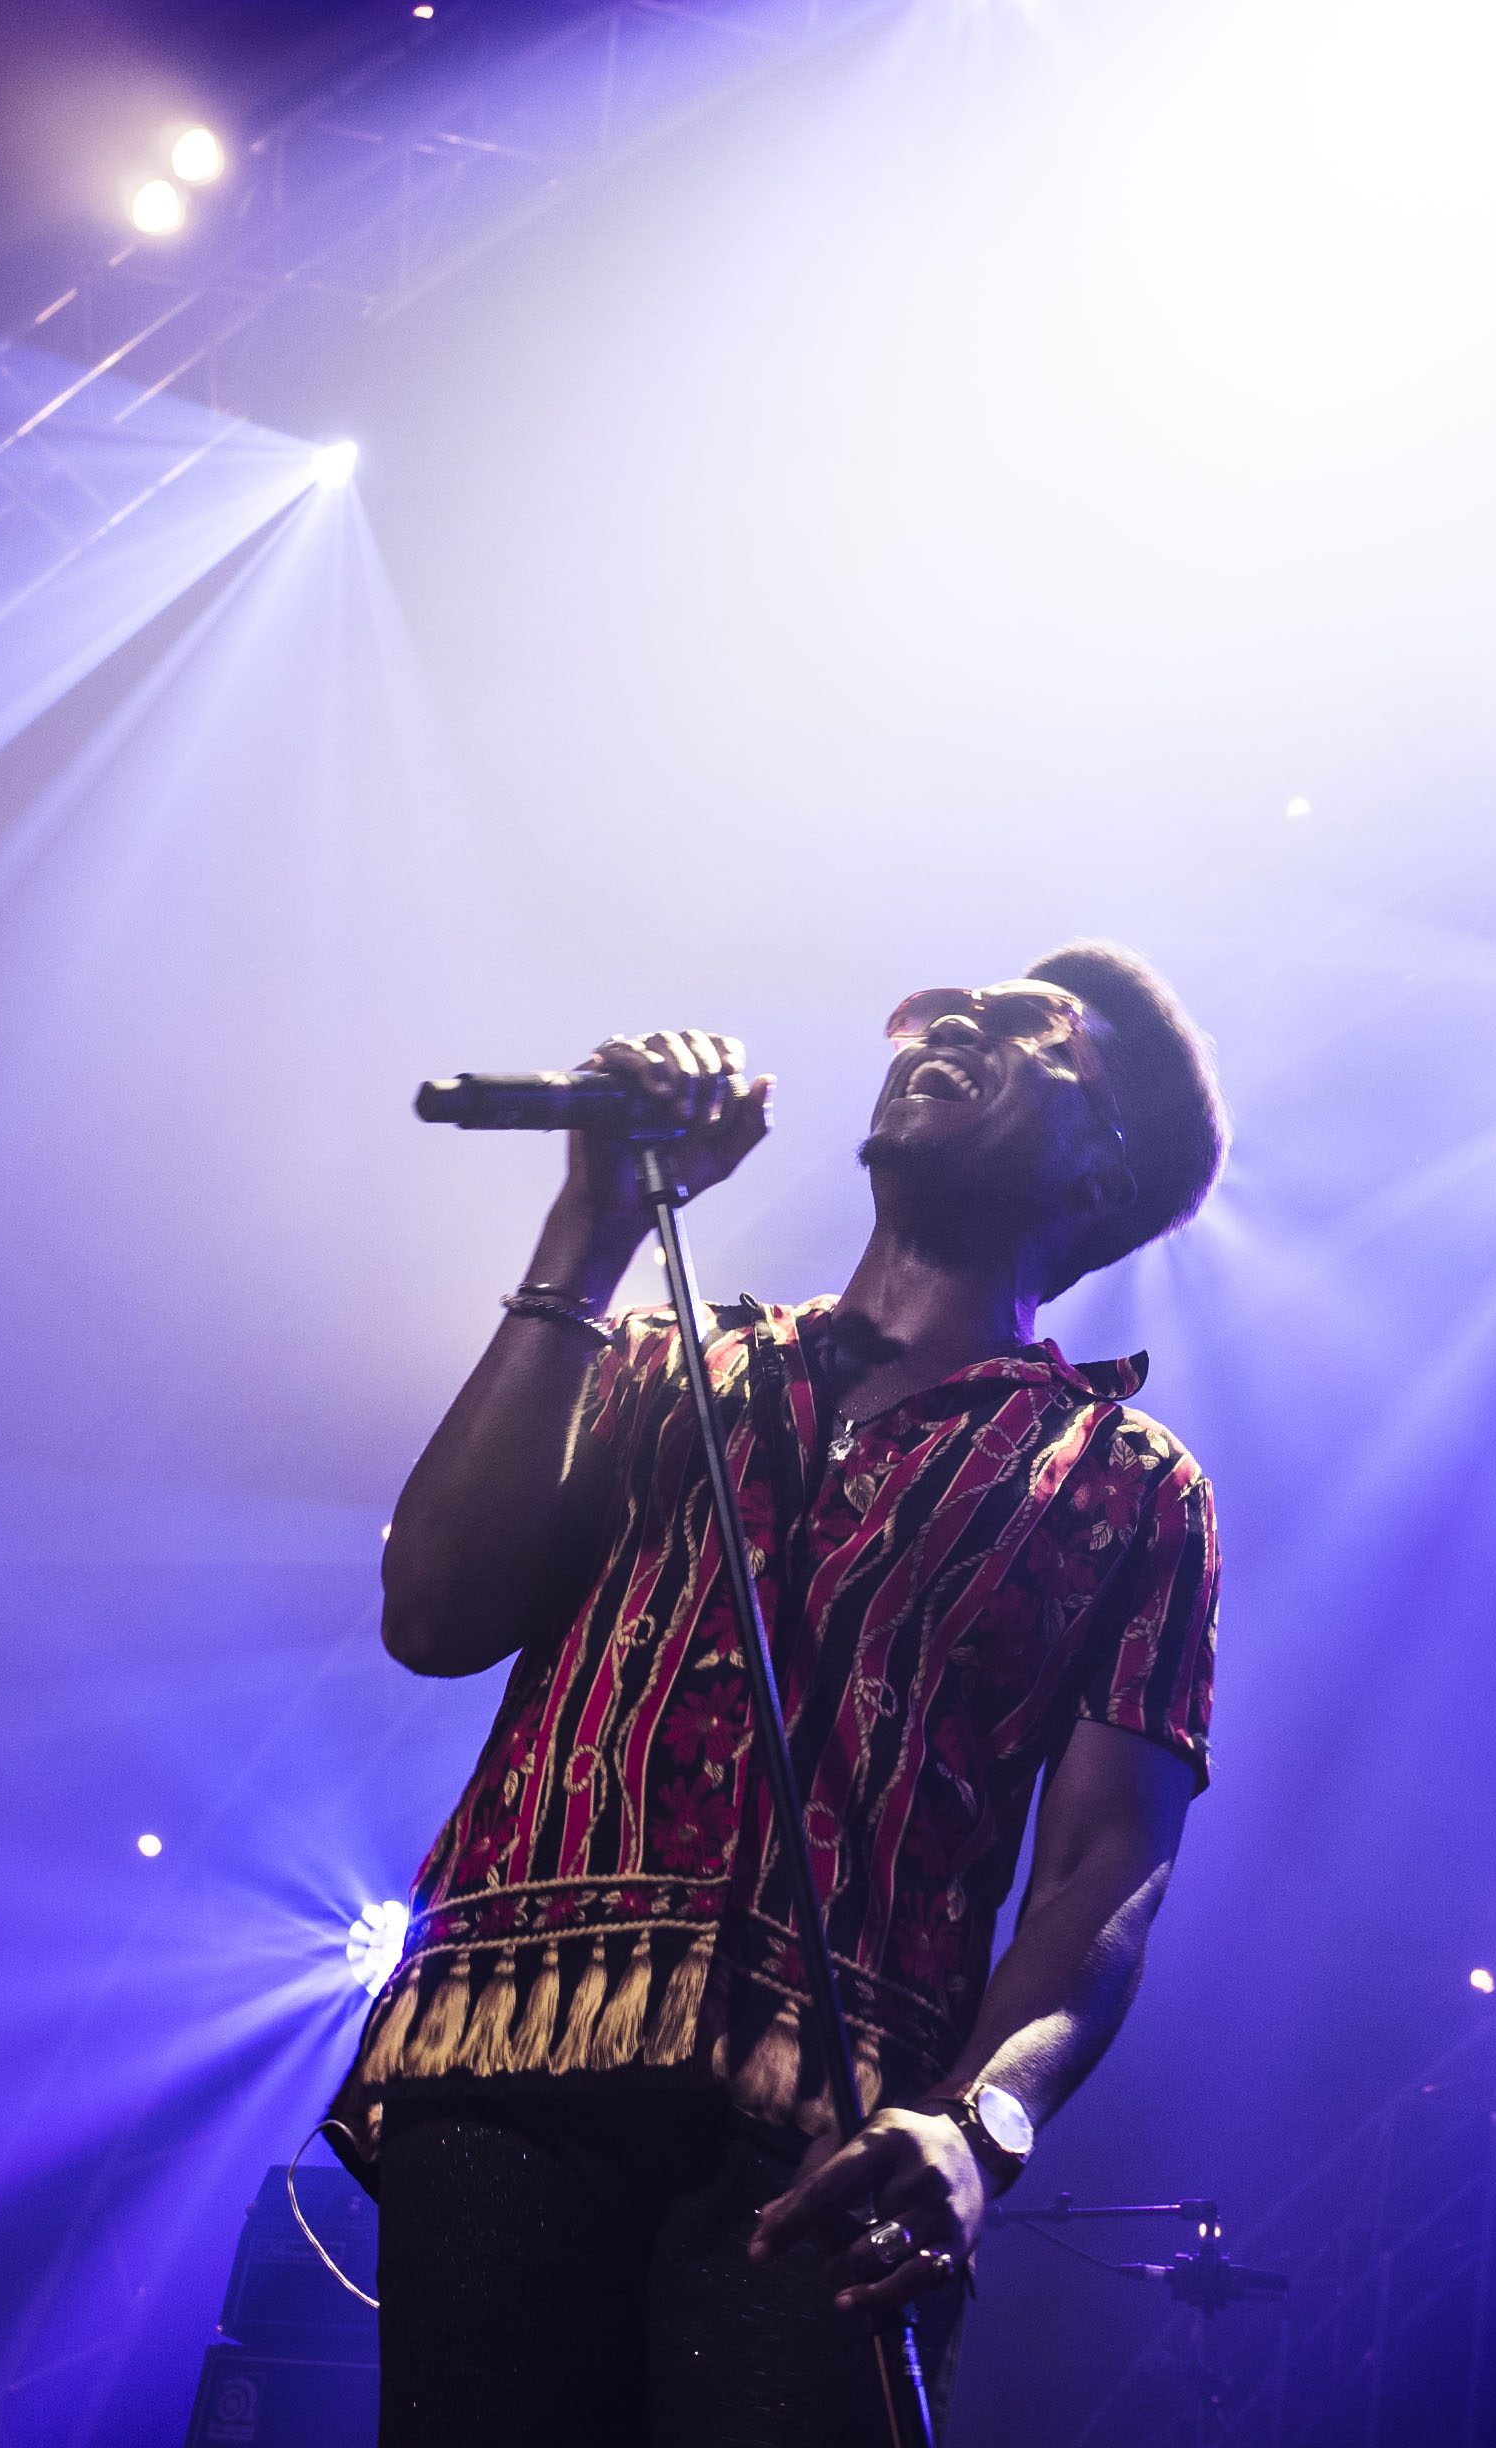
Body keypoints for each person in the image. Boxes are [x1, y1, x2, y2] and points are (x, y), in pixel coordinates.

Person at [336, 943, 1230, 2445]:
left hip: (835, 2148)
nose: (961, 1021)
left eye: (1033, 1031)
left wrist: (981, 2124)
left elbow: (1105, 1864)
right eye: (954, 1005)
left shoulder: (1126, 1484)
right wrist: (593, 1226)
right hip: (500, 2063)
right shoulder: (656, 1363)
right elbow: (430, 1613)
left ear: (1101, 1169)